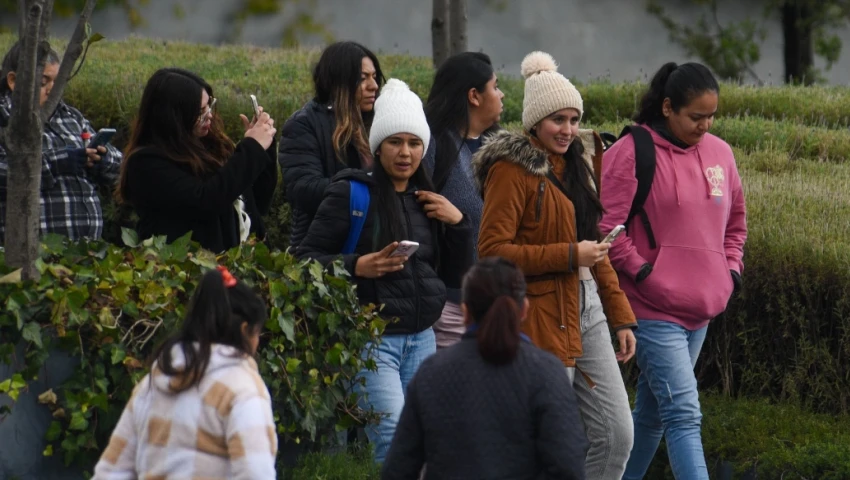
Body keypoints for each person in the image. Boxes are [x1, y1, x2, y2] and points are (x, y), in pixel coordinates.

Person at [474, 51, 637, 479]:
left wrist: (620, 316)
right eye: (557, 120)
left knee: (617, 436)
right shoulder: (511, 170)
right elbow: (491, 251)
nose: (567, 130)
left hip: (589, 311)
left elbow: (595, 247)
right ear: (534, 123)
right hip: (539, 313)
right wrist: (569, 255)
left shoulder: (579, 165)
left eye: (573, 119)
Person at [296, 78, 473, 464]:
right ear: (378, 146)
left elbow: (457, 274)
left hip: (423, 337)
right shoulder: (351, 193)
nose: (405, 153)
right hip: (371, 341)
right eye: (395, 142)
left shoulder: (429, 201)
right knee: (391, 439)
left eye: (414, 143)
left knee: (424, 440)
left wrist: (458, 224)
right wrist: (358, 265)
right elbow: (304, 260)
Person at [600, 62, 747, 480]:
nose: (705, 126)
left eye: (711, 116)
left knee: (652, 417)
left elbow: (736, 224)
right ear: (667, 107)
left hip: (702, 308)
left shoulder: (720, 153)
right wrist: (645, 273)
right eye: (695, 117)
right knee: (683, 412)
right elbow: (608, 228)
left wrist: (729, 272)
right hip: (649, 308)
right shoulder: (631, 152)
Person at [381, 257, 588, 480]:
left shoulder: (431, 372)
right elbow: (568, 466)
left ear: (465, 311)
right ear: (524, 310)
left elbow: (398, 469)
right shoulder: (546, 372)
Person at [92, 266, 277, 479]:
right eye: (257, 333)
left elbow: (111, 471)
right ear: (245, 330)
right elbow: (256, 472)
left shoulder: (154, 382)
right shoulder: (243, 389)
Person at [116, 68, 278, 253]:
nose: (209, 114)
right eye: (200, 111)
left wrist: (265, 144)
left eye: (210, 105)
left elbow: (259, 201)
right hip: (186, 273)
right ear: (174, 117)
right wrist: (252, 147)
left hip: (242, 268)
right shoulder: (145, 163)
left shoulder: (212, 146)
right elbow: (206, 200)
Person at [0, 40, 122, 243]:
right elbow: (6, 174)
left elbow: (121, 168)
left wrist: (101, 158)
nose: (51, 91)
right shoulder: (5, 120)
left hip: (86, 253)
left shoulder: (71, 116)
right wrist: (56, 163)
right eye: (42, 83)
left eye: (56, 83)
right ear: (13, 81)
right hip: (30, 255)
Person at [422, 51, 504, 349]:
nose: (501, 93)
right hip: (451, 305)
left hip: (496, 298)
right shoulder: (432, 144)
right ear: (474, 96)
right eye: (495, 86)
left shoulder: (501, 147)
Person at [280, 41, 384, 248]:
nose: (373, 86)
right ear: (339, 81)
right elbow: (304, 190)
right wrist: (369, 186)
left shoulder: (380, 120)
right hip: (324, 251)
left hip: (375, 244)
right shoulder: (304, 124)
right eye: (363, 78)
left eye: (374, 77)